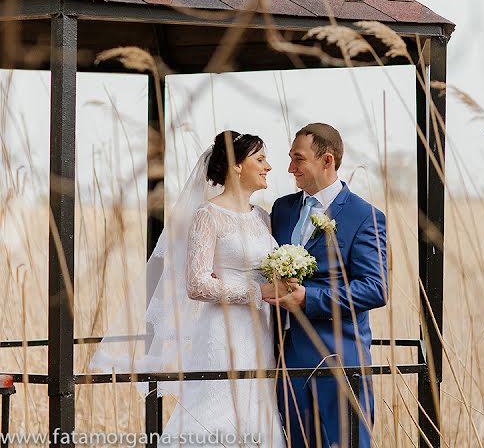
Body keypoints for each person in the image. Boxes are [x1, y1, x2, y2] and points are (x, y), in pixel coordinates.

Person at [90, 131, 288, 447]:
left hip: (260, 333)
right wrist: (256, 292)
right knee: (214, 410)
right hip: (222, 332)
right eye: (260, 159)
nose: (268, 167)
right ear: (237, 166)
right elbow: (196, 283)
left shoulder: (263, 217)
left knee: (257, 412)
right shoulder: (207, 215)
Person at [266, 123, 388, 448]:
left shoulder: (365, 217)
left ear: (327, 161)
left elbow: (375, 288)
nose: (290, 168)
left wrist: (309, 298)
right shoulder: (282, 209)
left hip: (340, 357)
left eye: (298, 159)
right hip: (288, 357)